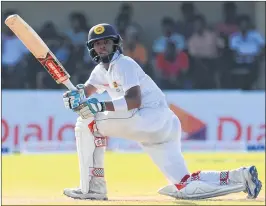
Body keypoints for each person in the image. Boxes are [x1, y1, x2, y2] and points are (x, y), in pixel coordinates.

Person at [62, 23, 262, 200]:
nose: (102, 46)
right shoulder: (100, 71)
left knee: (86, 122)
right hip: (162, 127)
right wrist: (76, 96)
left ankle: (94, 188)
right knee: (184, 183)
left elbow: (134, 101)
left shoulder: (124, 64)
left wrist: (100, 106)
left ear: (115, 43)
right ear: (92, 48)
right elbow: (87, 92)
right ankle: (241, 177)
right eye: (97, 43)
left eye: (106, 41)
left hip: (149, 116)